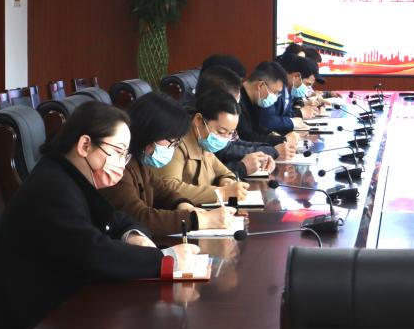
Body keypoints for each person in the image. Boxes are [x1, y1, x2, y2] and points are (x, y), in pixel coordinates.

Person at [0, 102, 199, 329]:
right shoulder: (52, 188)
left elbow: (116, 218)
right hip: (27, 327)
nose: (121, 162)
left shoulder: (71, 176)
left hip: (60, 309)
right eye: (117, 151)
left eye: (125, 154)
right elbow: (93, 253)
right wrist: (164, 260)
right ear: (85, 145)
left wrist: (133, 236)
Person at [101, 93, 237, 235]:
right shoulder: (118, 166)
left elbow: (162, 190)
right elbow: (139, 217)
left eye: (176, 142)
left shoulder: (139, 160)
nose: (173, 147)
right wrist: (199, 220)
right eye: (171, 141)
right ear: (149, 132)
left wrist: (183, 205)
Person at [150, 90, 250, 206]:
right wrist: (221, 193)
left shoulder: (203, 143)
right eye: (221, 132)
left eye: (230, 133)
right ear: (198, 120)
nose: (224, 139)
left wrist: (227, 182)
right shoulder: (175, 143)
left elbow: (224, 173)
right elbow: (169, 187)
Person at [194, 64, 288, 177]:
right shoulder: (194, 130)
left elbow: (235, 143)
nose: (235, 108)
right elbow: (209, 173)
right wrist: (242, 167)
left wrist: (265, 154)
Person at [260, 55, 316, 134]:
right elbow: (268, 121)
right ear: (296, 76)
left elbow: (287, 115)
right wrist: (295, 119)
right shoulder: (273, 87)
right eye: (307, 84)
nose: (308, 88)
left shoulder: (288, 90)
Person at [238, 61, 290, 145]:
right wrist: (283, 140)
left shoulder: (255, 101)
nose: (276, 97)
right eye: (275, 92)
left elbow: (258, 129)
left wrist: (274, 135)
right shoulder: (236, 101)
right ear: (260, 85)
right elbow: (247, 137)